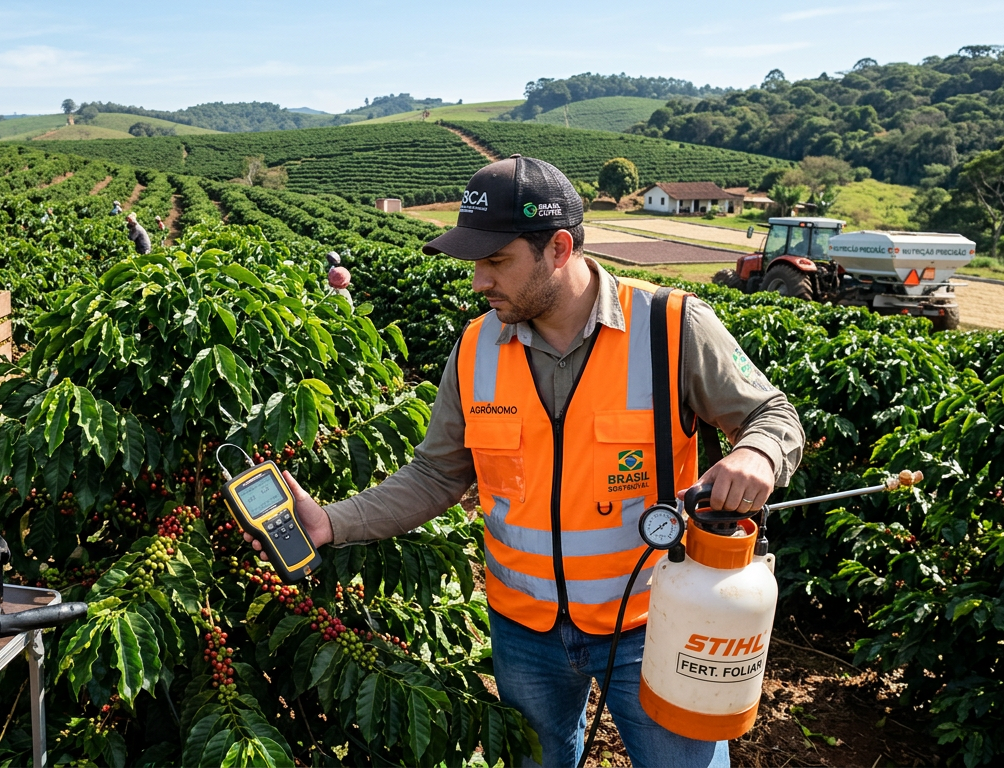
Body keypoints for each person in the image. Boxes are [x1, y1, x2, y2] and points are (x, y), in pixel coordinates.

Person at [246, 156, 804, 767]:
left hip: (654, 621)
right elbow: (437, 475)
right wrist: (333, 521)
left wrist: (756, 454)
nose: (479, 281)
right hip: (524, 629)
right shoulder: (475, 346)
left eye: (496, 260)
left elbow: (772, 415)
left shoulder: (670, 327)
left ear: (559, 248)